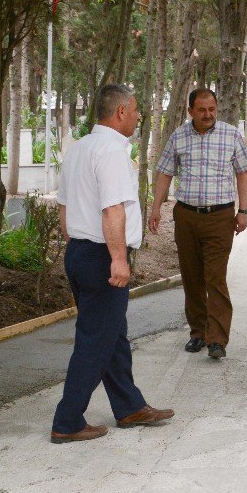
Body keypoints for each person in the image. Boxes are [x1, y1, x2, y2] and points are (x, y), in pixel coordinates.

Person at [51, 84, 174, 444]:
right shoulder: (110, 151)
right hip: (102, 255)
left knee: (111, 335)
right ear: (120, 112)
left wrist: (77, 245)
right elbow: (112, 209)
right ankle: (68, 420)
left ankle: (129, 406)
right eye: (135, 110)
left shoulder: (80, 149)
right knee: (95, 340)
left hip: (80, 251)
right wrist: (118, 259)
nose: (138, 116)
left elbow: (63, 206)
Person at [150, 88, 247, 359]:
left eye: (212, 109)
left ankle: (217, 339)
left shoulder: (231, 134)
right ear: (190, 111)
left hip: (220, 218)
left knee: (215, 277)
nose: (208, 115)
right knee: (192, 276)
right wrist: (155, 208)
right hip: (186, 216)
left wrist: (242, 210)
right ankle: (197, 332)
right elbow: (165, 173)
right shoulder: (178, 137)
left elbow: (242, 173)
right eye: (202, 110)